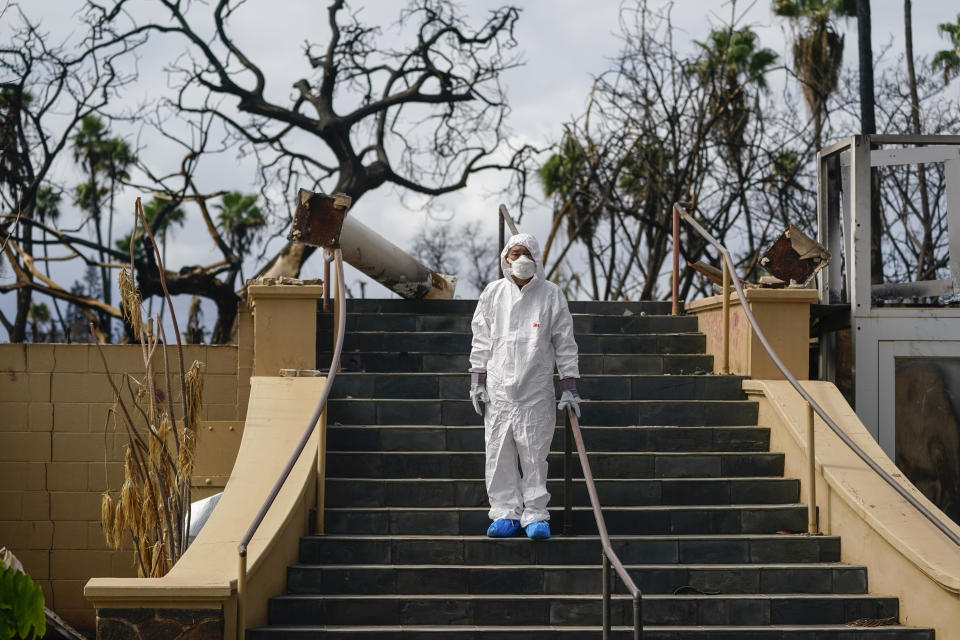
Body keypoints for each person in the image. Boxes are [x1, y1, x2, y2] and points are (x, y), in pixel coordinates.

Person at [468, 233, 581, 540]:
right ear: (505, 258)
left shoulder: (551, 295)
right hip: (499, 391)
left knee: (534, 456)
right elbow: (481, 337)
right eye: (514, 253)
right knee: (499, 454)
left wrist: (569, 384)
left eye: (526, 253)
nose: (520, 259)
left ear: (536, 258)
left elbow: (564, 341)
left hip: (535, 389)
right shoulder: (493, 293)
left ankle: (535, 515)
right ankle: (504, 512)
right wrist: (477, 379)